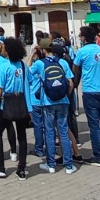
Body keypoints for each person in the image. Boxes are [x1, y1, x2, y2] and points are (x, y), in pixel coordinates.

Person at [0, 37, 31, 179]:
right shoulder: (23, 66)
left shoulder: (4, 67)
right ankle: (22, 169)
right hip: (21, 102)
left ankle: (0, 166)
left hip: (7, 102)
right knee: (22, 135)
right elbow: (29, 82)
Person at [32, 41, 76, 174]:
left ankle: (51, 164)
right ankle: (68, 165)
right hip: (63, 101)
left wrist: (32, 56)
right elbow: (70, 83)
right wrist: (65, 95)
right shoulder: (62, 62)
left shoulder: (40, 63)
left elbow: (28, 73)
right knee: (63, 132)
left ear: (43, 50)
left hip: (47, 101)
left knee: (49, 132)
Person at [73, 25, 100, 166]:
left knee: (94, 125)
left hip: (90, 91)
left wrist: (74, 84)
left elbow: (75, 69)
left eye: (80, 35)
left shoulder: (82, 51)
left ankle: (98, 156)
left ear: (83, 38)